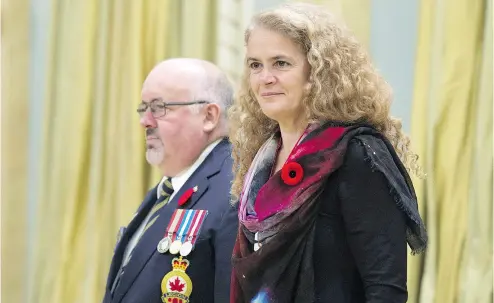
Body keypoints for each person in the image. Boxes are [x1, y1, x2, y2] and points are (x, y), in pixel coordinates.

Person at [228, 3, 428, 303]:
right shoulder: (262, 158)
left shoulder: (357, 154)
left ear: (317, 72)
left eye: (281, 63)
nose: (264, 78)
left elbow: (385, 288)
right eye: (255, 65)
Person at [103, 58, 238, 303]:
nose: (145, 121)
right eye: (143, 109)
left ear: (209, 116)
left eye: (159, 108)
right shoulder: (167, 190)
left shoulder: (233, 191)